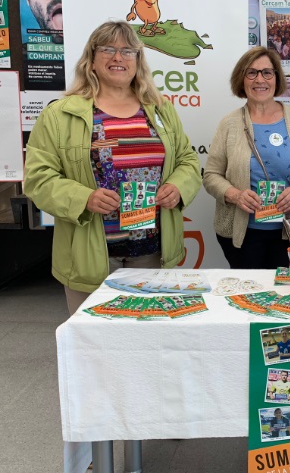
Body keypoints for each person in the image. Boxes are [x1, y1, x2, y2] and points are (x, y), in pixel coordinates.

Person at [24, 20, 202, 316]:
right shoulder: (60, 114)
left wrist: (178, 187)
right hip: (91, 254)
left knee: (147, 342)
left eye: (127, 51)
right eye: (108, 49)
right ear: (92, 60)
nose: (118, 58)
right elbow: (38, 179)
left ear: (137, 61)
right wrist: (84, 198)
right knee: (95, 347)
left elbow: (188, 160)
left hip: (151, 251)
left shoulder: (160, 109)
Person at [203, 46, 290, 268]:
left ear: (276, 78)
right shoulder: (229, 123)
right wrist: (235, 195)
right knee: (247, 297)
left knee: (283, 296)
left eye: (267, 72)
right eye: (252, 72)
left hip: (289, 231)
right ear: (242, 79)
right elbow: (211, 176)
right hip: (243, 234)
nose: (260, 79)